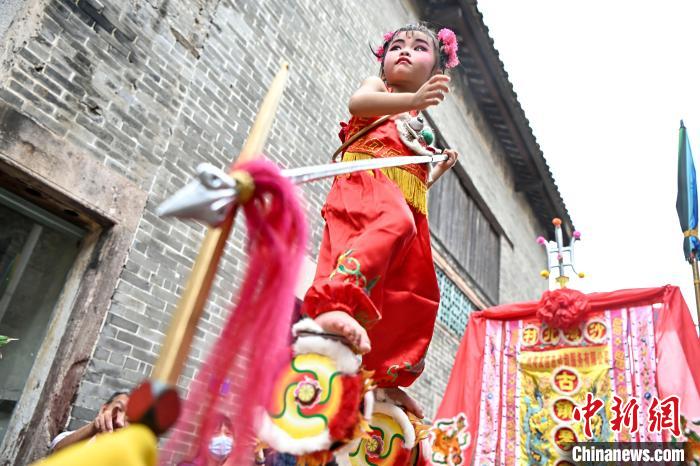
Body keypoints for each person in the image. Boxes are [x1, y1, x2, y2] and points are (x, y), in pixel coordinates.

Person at [301, 24, 460, 418]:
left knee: (415, 292)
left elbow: (410, 185)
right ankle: (337, 302)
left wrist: (435, 170)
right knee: (395, 221)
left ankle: (382, 380)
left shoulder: (417, 130)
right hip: (363, 192)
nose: (404, 51)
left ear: (438, 70)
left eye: (419, 47)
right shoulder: (379, 90)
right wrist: (413, 98)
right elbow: (358, 104)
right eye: (396, 46)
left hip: (401, 209)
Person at [50, 391, 129, 452]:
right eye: (118, 409)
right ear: (103, 410)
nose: (119, 421)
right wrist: (93, 428)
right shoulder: (68, 437)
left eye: (128, 418)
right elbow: (55, 454)